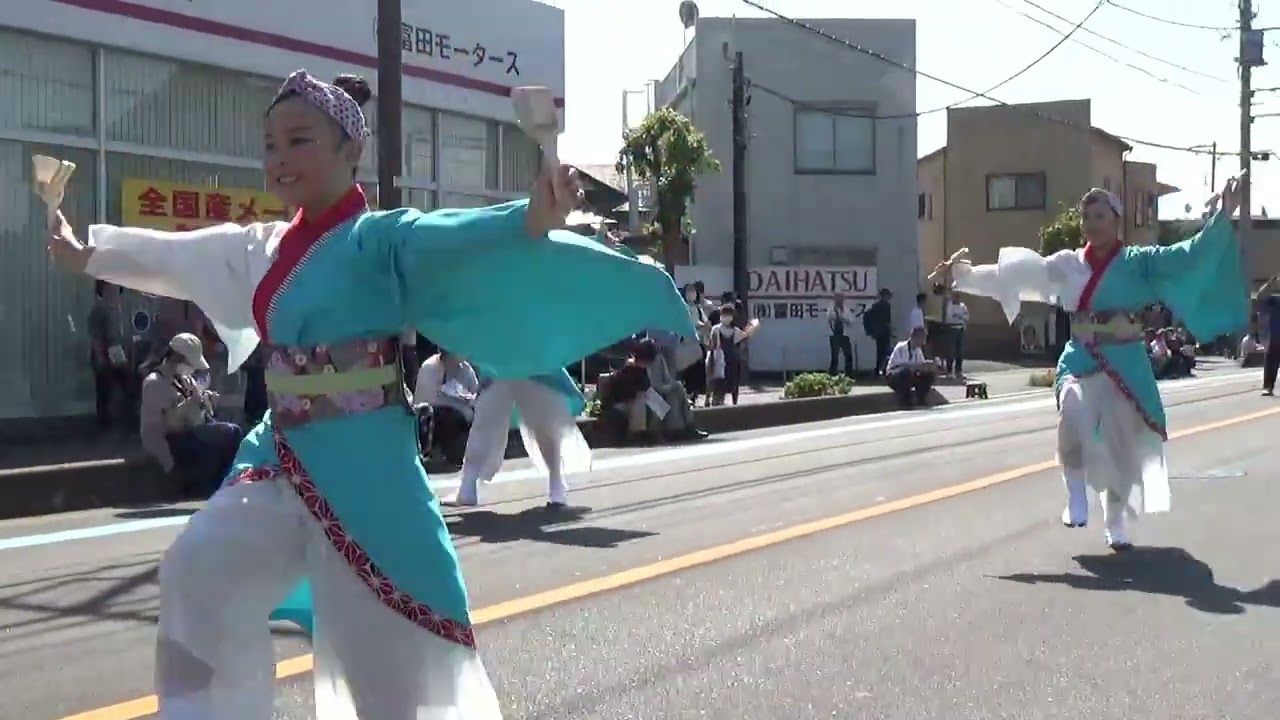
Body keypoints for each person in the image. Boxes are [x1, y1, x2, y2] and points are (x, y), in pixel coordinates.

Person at [45, 69, 693, 718]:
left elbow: (461, 235)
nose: (279, 159)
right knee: (198, 570)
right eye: (269, 145)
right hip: (279, 456)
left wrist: (532, 216)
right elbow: (177, 256)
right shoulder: (263, 246)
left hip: (369, 465)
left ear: (350, 153)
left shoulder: (383, 238)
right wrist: (90, 254)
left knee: (390, 653)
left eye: (298, 141)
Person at [931, 180, 1249, 552]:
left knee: (1121, 445)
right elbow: (1014, 276)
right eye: (1086, 216)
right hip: (1081, 354)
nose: (1092, 222)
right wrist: (959, 276)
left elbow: (1187, 254)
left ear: (1116, 221)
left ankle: (1115, 521)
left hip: (1126, 360)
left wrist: (1223, 214)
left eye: (1100, 215)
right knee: (1073, 410)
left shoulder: (1140, 262)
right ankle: (1075, 493)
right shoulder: (1068, 265)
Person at [450, 371, 590, 509]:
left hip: (507, 363)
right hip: (519, 364)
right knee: (541, 425)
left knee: (487, 425)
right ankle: (557, 485)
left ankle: (467, 487)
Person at [139, 333, 245, 496]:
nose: (193, 368)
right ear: (177, 358)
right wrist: (169, 466)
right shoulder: (154, 383)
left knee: (232, 432)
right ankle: (225, 485)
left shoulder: (185, 379)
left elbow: (200, 409)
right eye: (190, 362)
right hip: (175, 442)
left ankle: (228, 484)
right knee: (229, 432)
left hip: (191, 433)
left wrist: (206, 399)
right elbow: (152, 431)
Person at [413, 350, 480, 466]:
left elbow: (477, 395)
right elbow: (427, 401)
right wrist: (461, 407)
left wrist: (471, 403)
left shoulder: (465, 369)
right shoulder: (431, 367)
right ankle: (432, 452)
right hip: (431, 418)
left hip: (461, 418)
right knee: (450, 415)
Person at [88, 280, 135, 432]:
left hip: (121, 353)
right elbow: (95, 336)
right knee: (104, 390)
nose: (113, 290)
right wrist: (100, 356)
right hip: (106, 352)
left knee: (127, 385)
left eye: (115, 287)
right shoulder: (99, 309)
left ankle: (127, 420)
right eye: (109, 287)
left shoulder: (122, 308)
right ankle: (104, 423)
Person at [643, 337, 707, 440]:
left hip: (661, 389)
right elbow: (648, 386)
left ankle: (680, 429)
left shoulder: (659, 358)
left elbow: (667, 378)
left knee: (676, 393)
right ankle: (687, 426)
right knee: (676, 389)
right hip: (649, 394)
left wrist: (670, 387)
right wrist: (669, 387)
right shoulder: (642, 364)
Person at [707, 304, 761, 406]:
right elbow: (712, 345)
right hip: (720, 361)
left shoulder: (734, 330)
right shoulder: (716, 329)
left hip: (731, 362)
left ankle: (732, 405)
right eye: (724, 314)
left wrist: (753, 326)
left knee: (732, 384)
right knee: (719, 385)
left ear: (732, 317)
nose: (726, 317)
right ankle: (716, 402)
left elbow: (745, 336)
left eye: (728, 315)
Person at [885, 326, 937, 407]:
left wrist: (928, 366)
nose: (923, 342)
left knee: (928, 375)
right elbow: (902, 364)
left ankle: (921, 398)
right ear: (915, 337)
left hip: (910, 374)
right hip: (894, 375)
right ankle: (905, 400)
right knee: (906, 371)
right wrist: (917, 366)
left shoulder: (918, 350)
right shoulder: (901, 347)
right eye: (922, 338)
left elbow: (920, 365)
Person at [1256, 275, 1279, 395]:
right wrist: (1270, 283)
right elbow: (1260, 296)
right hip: (1275, 339)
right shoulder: (1274, 301)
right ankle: (1268, 387)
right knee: (1270, 364)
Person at [861, 288, 893, 376]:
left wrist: (871, 330)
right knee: (886, 351)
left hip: (878, 332)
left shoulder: (875, 305)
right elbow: (887, 320)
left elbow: (867, 316)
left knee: (880, 351)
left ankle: (878, 369)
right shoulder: (886, 305)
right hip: (884, 331)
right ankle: (885, 369)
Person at [826, 292, 856, 377]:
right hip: (834, 335)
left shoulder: (846, 309)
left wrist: (844, 318)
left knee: (848, 355)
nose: (840, 300)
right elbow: (829, 318)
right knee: (835, 356)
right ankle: (832, 373)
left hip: (845, 335)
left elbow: (851, 321)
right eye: (838, 298)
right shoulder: (831, 309)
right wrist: (837, 316)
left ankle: (849, 373)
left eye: (841, 299)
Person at [941, 289, 969, 377]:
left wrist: (960, 316)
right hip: (951, 329)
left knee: (959, 351)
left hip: (960, 329)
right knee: (950, 351)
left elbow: (966, 316)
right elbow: (950, 316)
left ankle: (958, 371)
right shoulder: (950, 306)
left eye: (957, 296)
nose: (956, 298)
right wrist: (959, 316)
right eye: (954, 296)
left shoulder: (962, 306)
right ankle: (949, 371)